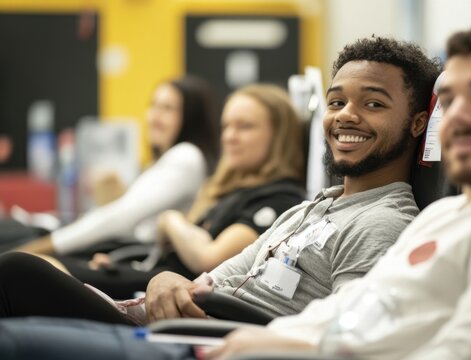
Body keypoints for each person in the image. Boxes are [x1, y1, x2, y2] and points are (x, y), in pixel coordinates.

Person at [206, 19, 471, 360]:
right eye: (451, 101)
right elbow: (345, 311)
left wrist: (293, 348)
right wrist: (259, 342)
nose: (460, 118)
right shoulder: (442, 214)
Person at [0, 36, 440, 328]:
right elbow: (208, 278)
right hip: (168, 320)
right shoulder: (308, 208)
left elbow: (345, 338)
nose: (346, 114)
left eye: (373, 103)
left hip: (202, 343)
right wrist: (164, 282)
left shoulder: (383, 223)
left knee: (17, 271)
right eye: (337, 101)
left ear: (419, 123)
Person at [47, 84, 308, 299]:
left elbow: (210, 259)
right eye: (226, 126)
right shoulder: (233, 189)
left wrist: (170, 220)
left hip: (172, 296)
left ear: (279, 136)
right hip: (152, 280)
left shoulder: (280, 199)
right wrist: (121, 263)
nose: (229, 136)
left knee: (25, 269)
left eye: (245, 126)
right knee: (30, 266)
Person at [10, 75, 220, 256]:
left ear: (191, 118)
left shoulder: (186, 157)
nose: (155, 115)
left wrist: (44, 247)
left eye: (167, 108)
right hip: (121, 247)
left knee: (17, 250)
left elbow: (122, 217)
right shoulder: (169, 160)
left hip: (132, 256)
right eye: (153, 105)